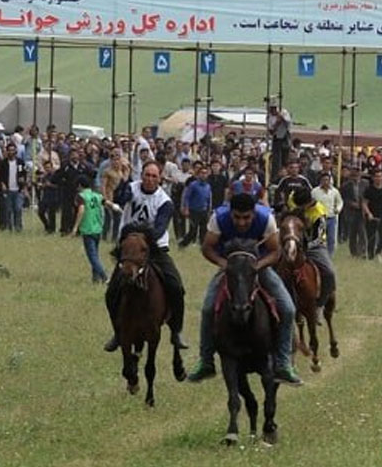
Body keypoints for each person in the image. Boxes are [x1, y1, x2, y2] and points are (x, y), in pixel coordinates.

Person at [185, 193, 302, 385]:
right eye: (236, 217)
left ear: (253, 214)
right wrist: (225, 264)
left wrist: (257, 266)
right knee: (207, 308)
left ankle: (283, 363)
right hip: (231, 270)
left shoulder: (266, 219)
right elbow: (207, 248)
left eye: (246, 217)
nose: (241, 222)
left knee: (288, 308)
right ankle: (206, 361)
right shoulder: (218, 218)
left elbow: (275, 251)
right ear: (230, 213)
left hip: (259, 268)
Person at [103, 161, 189, 352]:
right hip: (128, 249)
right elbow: (119, 198)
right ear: (141, 175)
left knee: (176, 286)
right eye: (146, 175)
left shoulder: (165, 201)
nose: (149, 179)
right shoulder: (131, 189)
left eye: (154, 176)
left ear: (160, 179)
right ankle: (118, 333)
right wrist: (125, 181)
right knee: (112, 291)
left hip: (155, 249)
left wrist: (134, 232)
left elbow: (158, 230)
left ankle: (176, 331)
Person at [283, 186, 337, 310]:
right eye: (297, 206)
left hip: (314, 245)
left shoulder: (319, 212)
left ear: (309, 203)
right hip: (291, 240)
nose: (299, 209)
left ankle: (320, 304)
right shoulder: (293, 199)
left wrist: (305, 247)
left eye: (302, 207)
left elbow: (319, 236)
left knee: (329, 273)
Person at [72, 185, 108, 284]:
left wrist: (75, 227)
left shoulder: (81, 196)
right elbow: (106, 202)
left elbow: (81, 210)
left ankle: (104, 276)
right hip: (97, 228)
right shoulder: (97, 195)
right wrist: (115, 206)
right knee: (95, 254)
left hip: (88, 229)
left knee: (92, 256)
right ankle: (95, 278)